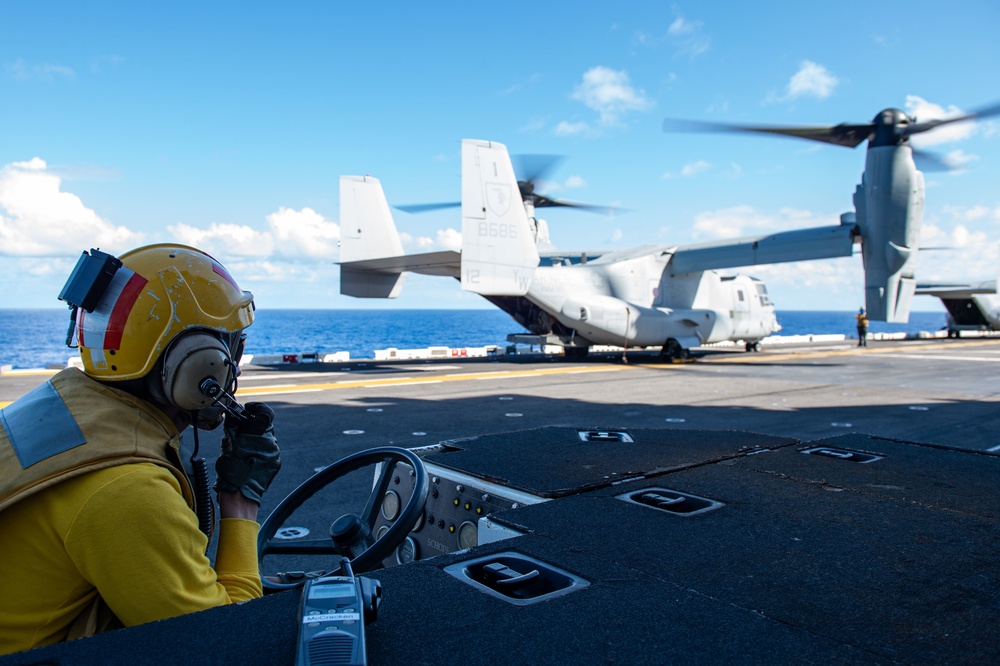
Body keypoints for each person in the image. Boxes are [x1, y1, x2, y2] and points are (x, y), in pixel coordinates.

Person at [0, 244, 281, 655]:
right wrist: (240, 506)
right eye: (230, 350)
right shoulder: (128, 490)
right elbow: (223, 643)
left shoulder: (51, 412)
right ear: (202, 366)